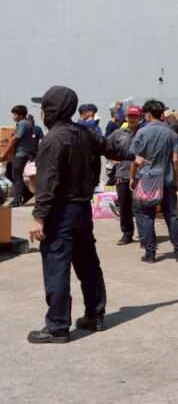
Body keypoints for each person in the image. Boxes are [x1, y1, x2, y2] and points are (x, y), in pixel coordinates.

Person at [27, 86, 110, 343]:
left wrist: (39, 216)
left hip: (60, 212)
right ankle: (95, 315)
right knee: (87, 262)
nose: (42, 113)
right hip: (82, 208)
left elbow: (48, 181)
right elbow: (109, 147)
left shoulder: (53, 139)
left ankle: (57, 327)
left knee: (57, 266)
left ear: (52, 109)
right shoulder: (84, 133)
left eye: (44, 108)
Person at [129, 100, 178, 264]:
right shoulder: (171, 133)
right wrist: (176, 179)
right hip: (167, 179)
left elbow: (135, 158)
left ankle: (150, 253)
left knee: (147, 216)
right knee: (172, 216)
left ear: (148, 114)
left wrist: (132, 178)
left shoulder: (142, 132)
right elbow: (176, 159)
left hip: (148, 180)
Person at [107, 106, 142, 245]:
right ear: (126, 117)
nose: (132, 119)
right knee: (124, 207)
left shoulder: (144, 133)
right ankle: (127, 234)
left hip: (141, 176)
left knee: (141, 207)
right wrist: (111, 158)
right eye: (130, 116)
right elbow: (106, 146)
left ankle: (144, 234)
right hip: (122, 174)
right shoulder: (118, 133)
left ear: (140, 118)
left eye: (135, 116)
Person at [3, 105, 39, 207]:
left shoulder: (23, 123)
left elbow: (15, 139)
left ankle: (17, 199)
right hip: (22, 153)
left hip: (21, 154)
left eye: (15, 114)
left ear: (21, 115)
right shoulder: (26, 124)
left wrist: (5, 153)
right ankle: (27, 193)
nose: (13, 117)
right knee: (9, 173)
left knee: (16, 175)